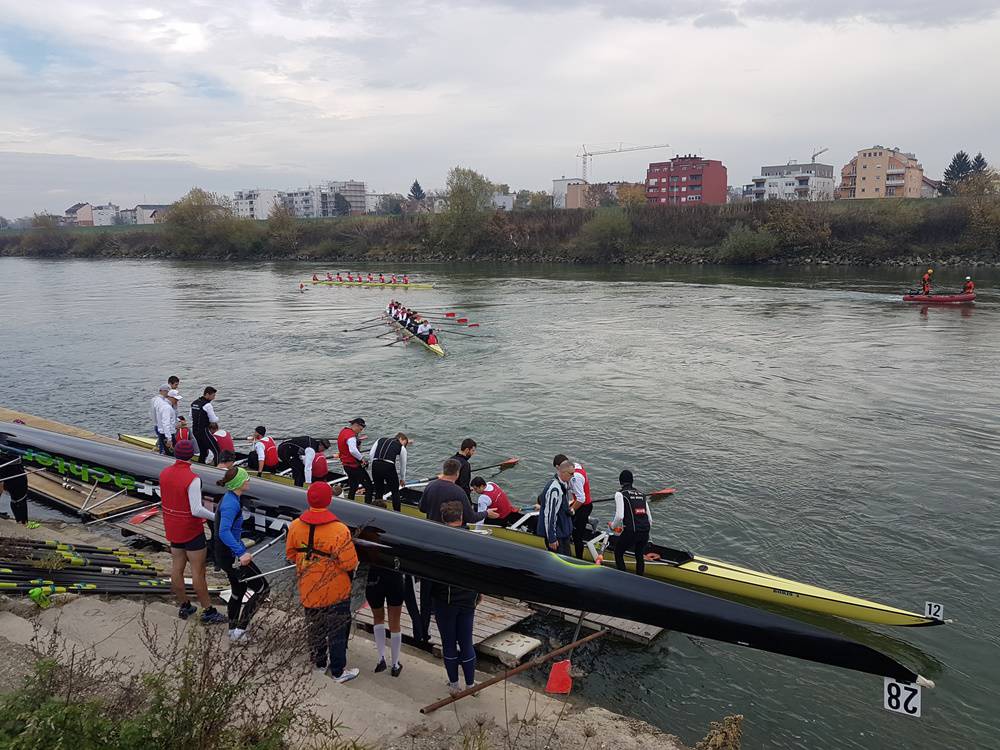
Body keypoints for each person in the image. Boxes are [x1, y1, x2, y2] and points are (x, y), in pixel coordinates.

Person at [286, 482, 360, 683]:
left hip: (308, 585)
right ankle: (338, 671)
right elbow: (349, 563)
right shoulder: (339, 529)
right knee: (336, 630)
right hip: (335, 589)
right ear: (329, 501)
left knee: (315, 626)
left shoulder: (295, 526)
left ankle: (318, 663)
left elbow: (291, 554)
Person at [158, 440, 226, 624]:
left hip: (172, 527)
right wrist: (215, 517)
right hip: (190, 529)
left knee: (177, 568)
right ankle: (208, 611)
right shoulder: (193, 478)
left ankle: (185, 606)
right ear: (192, 455)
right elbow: (196, 509)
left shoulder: (164, 473)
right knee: (198, 571)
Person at [214, 467, 269, 642]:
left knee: (239, 589)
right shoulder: (231, 504)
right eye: (246, 479)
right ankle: (241, 630)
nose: (249, 481)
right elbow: (223, 531)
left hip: (224, 554)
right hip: (232, 555)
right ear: (239, 483)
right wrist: (241, 552)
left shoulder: (230, 498)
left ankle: (232, 629)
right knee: (262, 588)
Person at [433, 500, 480, 694]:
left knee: (449, 643)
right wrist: (478, 593)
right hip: (468, 598)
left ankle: (454, 685)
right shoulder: (472, 540)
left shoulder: (437, 540)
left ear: (443, 519)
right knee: (466, 642)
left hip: (445, 601)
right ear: (461, 518)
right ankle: (471, 685)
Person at [419, 459, 495, 525]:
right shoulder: (459, 492)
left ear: (444, 470)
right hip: (451, 531)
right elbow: (471, 518)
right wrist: (486, 513)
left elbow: (422, 508)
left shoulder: (430, 486)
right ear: (457, 473)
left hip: (432, 525)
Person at [610, 470, 652, 577]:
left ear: (620, 481)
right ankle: (640, 579)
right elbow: (650, 520)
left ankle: (624, 579)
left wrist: (613, 526)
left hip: (631, 531)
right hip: (645, 531)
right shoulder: (642, 495)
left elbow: (620, 516)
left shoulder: (620, 494)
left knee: (618, 552)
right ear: (632, 481)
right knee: (639, 555)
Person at [365, 564, 405, 676]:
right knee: (395, 622)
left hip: (374, 574)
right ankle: (395, 664)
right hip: (394, 574)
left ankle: (381, 659)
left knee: (377, 618)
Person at [553, 454, 593, 559]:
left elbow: (581, 498)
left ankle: (579, 559)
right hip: (582, 504)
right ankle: (589, 521)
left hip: (583, 507)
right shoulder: (576, 465)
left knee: (577, 536)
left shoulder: (576, 477)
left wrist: (571, 509)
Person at [536, 461, 574, 555]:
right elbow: (549, 515)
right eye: (571, 474)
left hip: (563, 531)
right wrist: (552, 538)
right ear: (563, 472)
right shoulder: (554, 490)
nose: (572, 476)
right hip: (557, 535)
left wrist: (569, 511)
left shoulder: (563, 484)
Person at [369, 432, 409, 511]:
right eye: (405, 443)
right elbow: (403, 465)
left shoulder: (380, 440)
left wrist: (375, 465)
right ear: (401, 439)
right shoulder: (402, 447)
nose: (404, 446)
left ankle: (377, 510)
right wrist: (402, 479)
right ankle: (397, 513)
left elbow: (371, 454)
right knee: (395, 492)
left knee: (378, 490)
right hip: (388, 466)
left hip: (375, 464)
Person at [338, 418, 374, 503]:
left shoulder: (343, 431)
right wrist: (362, 459)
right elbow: (353, 450)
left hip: (346, 465)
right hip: (354, 466)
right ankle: (368, 506)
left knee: (353, 486)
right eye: (360, 429)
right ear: (356, 425)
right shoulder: (351, 436)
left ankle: (350, 503)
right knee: (369, 487)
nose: (360, 431)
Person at [191, 387, 221, 466]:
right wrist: (218, 418)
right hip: (204, 431)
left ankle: (201, 466)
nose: (214, 398)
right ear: (207, 394)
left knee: (203, 451)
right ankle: (219, 470)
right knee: (217, 451)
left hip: (195, 431)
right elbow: (213, 420)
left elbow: (191, 416)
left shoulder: (194, 403)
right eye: (213, 395)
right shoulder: (207, 405)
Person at [0, 451, 29, 524]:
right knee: (19, 498)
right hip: (10, 465)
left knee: (19, 498)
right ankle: (23, 523)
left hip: (12, 462)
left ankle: (22, 522)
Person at [154, 389, 180, 455]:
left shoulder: (165, 405)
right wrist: (169, 439)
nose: (177, 401)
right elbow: (166, 423)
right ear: (170, 398)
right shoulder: (167, 408)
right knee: (172, 455)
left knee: (172, 453)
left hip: (166, 434)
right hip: (167, 435)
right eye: (176, 399)